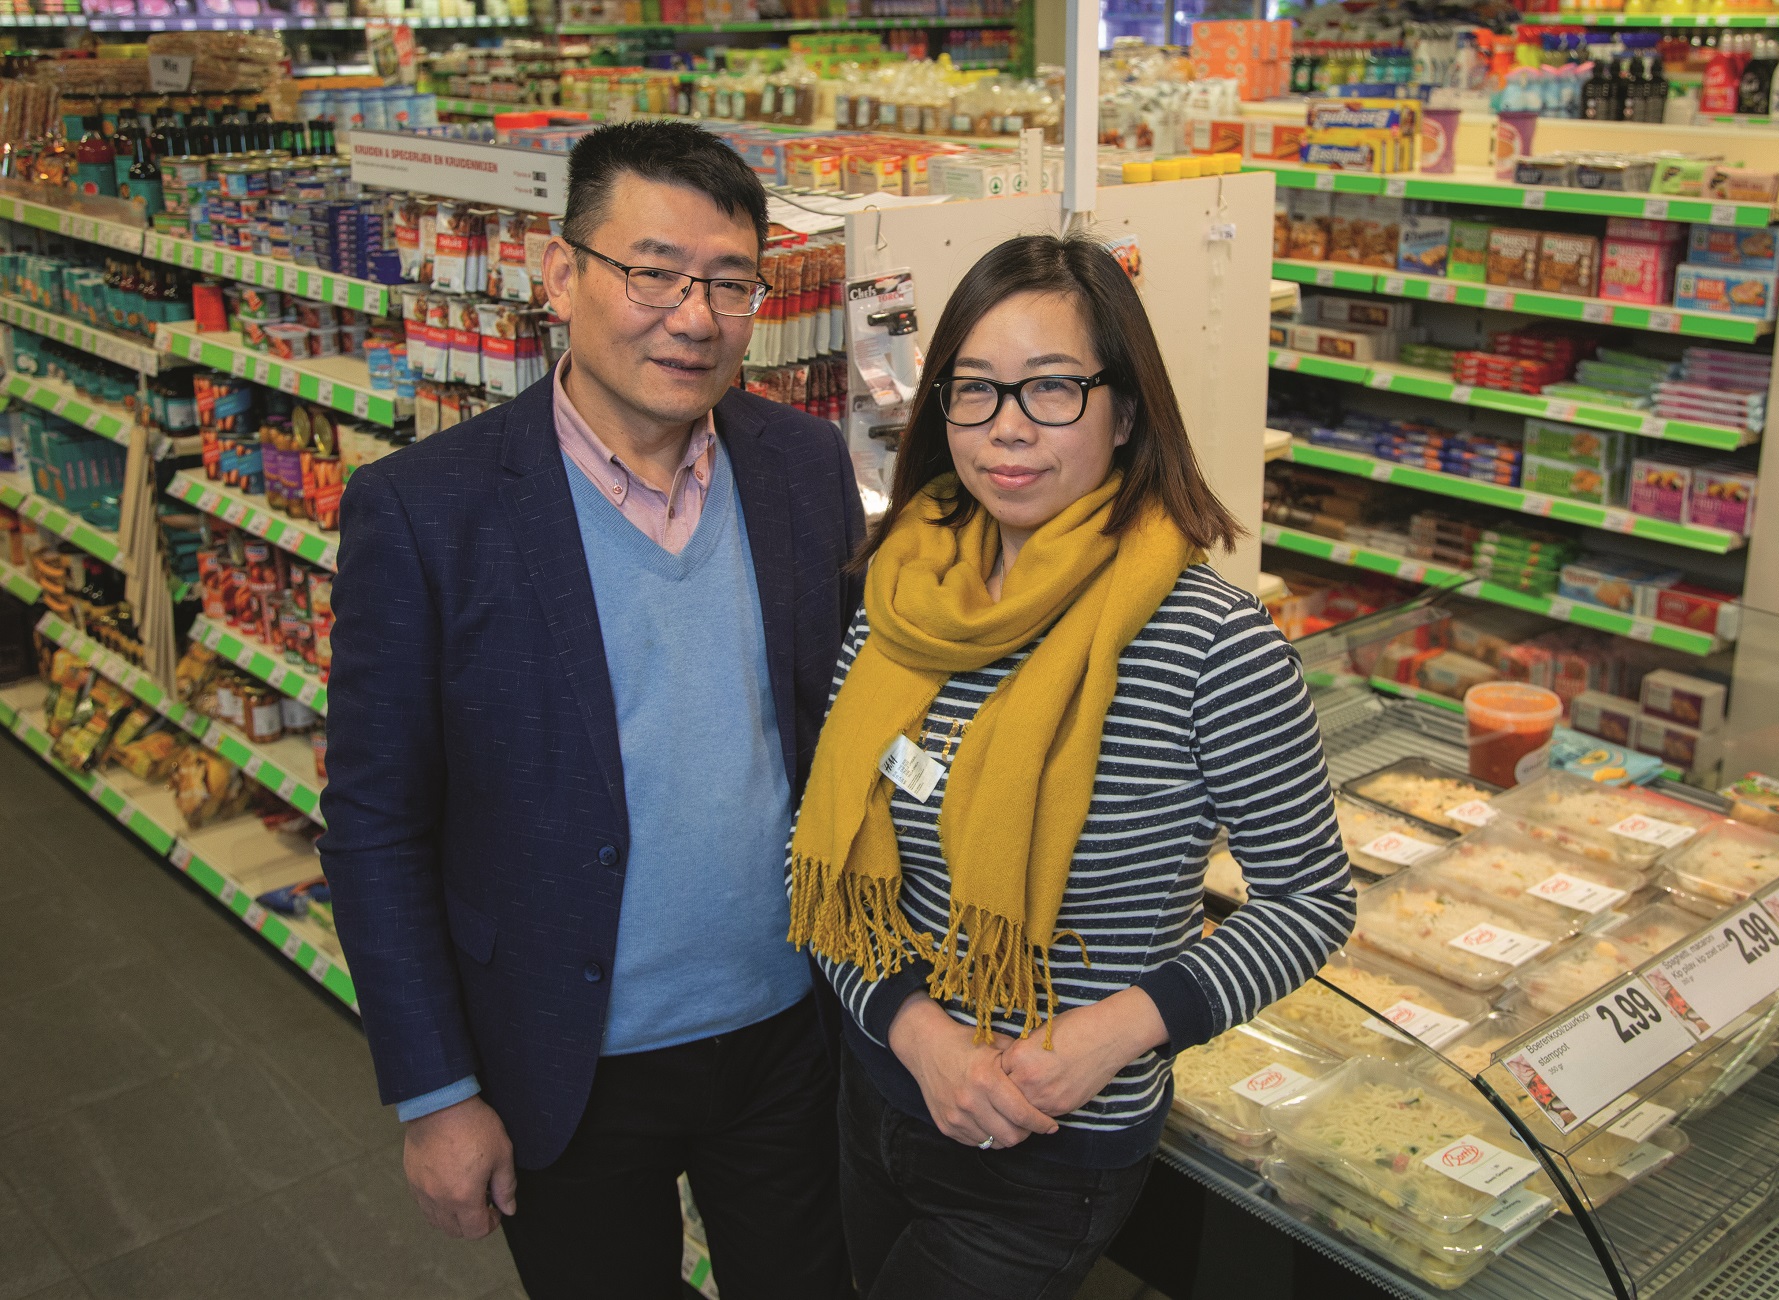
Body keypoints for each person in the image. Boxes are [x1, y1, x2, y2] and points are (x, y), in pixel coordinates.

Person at [318, 121, 860, 1300]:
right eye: (652, 270)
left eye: (729, 281)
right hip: (559, 1057)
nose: (695, 314)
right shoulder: (427, 511)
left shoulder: (803, 467)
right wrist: (436, 1090)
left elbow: (849, 729)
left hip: (785, 1031)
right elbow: (372, 822)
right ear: (560, 275)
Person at [789, 234, 1356, 1300]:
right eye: (974, 390)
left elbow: (1310, 899)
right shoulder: (900, 599)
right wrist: (918, 1037)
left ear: (1125, 410)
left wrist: (1112, 1036)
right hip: (878, 1094)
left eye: (1051, 388)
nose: (1006, 426)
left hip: (1052, 1147)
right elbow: (815, 860)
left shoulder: (1207, 644)